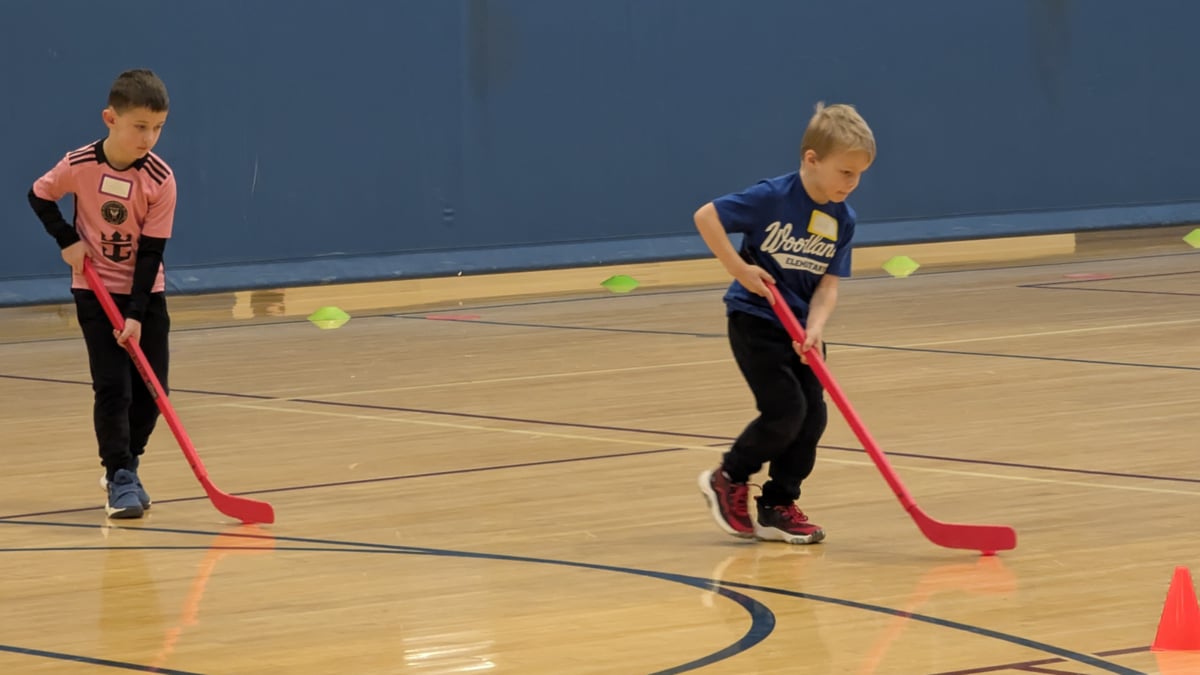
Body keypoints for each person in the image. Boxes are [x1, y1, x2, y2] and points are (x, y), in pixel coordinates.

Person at [694, 102, 875, 544]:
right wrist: (739, 269)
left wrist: (816, 327)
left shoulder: (841, 219)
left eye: (859, 175)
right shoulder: (772, 197)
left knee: (812, 420)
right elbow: (707, 217)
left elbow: (828, 285)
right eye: (845, 172)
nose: (852, 184)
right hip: (757, 320)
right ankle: (729, 476)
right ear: (812, 160)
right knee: (785, 411)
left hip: (804, 331)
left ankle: (778, 504)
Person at [27, 69, 177, 519]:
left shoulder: (160, 178)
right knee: (114, 387)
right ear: (110, 118)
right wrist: (66, 239)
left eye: (158, 128)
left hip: (144, 294)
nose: (148, 138)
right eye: (139, 127)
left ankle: (128, 463)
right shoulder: (80, 164)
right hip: (93, 290)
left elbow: (150, 253)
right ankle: (118, 476)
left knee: (154, 393)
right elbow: (39, 195)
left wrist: (135, 313)